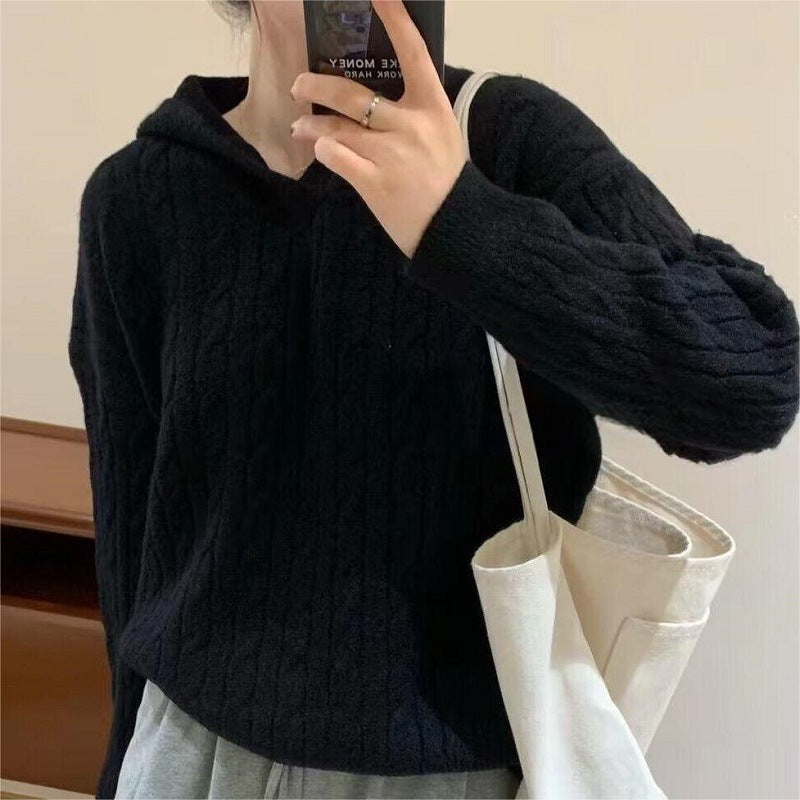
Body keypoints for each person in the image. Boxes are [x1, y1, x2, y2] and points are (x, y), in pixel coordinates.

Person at [67, 0, 800, 798]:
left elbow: (752, 381)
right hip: (190, 759)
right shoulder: (140, 198)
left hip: (454, 774)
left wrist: (458, 220)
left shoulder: (507, 144)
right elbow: (135, 532)